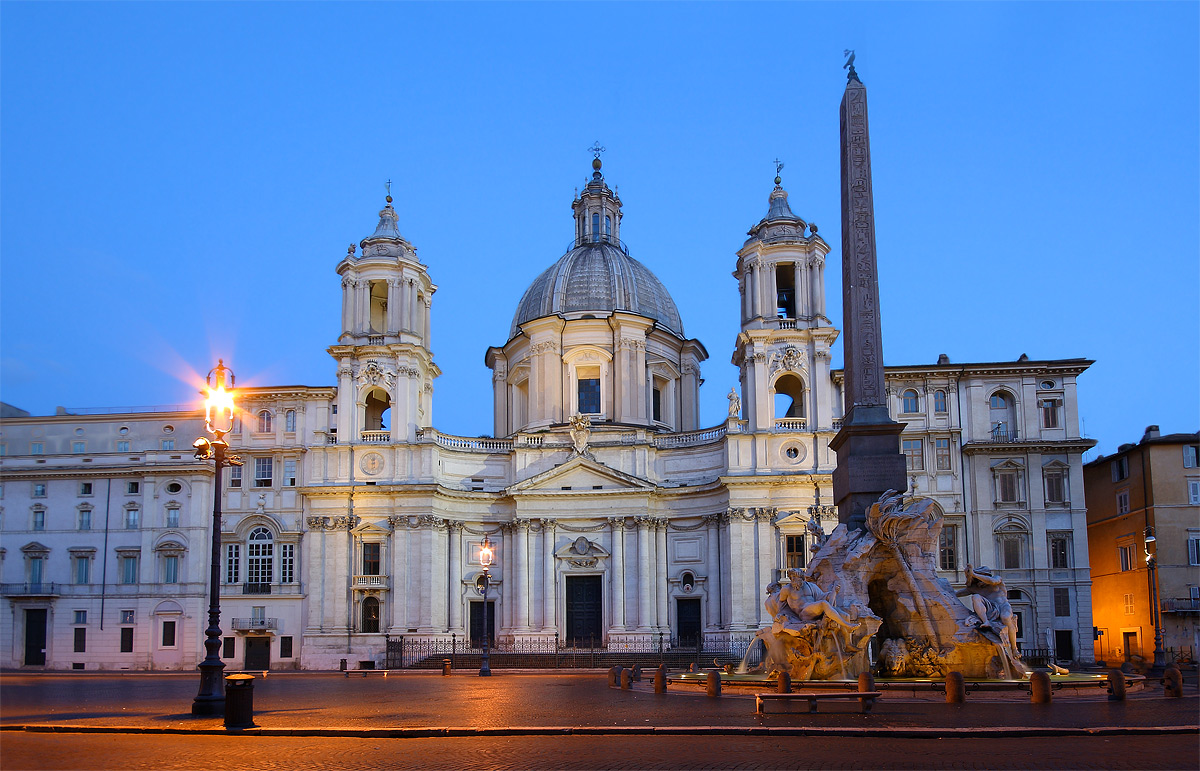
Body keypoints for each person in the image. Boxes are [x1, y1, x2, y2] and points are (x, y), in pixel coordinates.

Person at [957, 564, 1019, 654]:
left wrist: (974, 574)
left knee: (1005, 618)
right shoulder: (975, 588)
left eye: (981, 577)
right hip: (989, 608)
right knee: (975, 597)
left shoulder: (997, 579)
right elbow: (957, 593)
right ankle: (986, 621)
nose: (979, 580)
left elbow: (992, 581)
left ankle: (1014, 648)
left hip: (1002, 605)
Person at [778, 569, 855, 632]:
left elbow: (821, 596)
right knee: (823, 603)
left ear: (802, 577)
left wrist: (833, 592)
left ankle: (848, 643)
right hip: (803, 613)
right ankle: (847, 625)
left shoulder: (810, 586)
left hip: (814, 609)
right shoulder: (786, 589)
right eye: (793, 577)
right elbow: (781, 603)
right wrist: (784, 616)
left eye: (797, 577)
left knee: (846, 615)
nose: (795, 579)